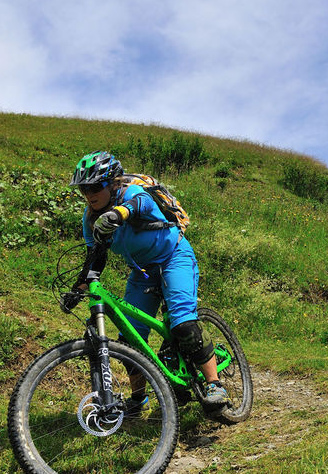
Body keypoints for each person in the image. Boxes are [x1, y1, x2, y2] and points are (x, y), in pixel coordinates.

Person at [67, 150, 228, 411]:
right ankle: (138, 399)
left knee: (184, 323)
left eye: (95, 186)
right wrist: (78, 288)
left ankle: (214, 384)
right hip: (142, 273)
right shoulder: (90, 219)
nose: (89, 194)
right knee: (130, 338)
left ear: (113, 183)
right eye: (84, 189)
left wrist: (119, 214)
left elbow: (141, 203)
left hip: (174, 257)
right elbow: (95, 259)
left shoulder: (131, 194)